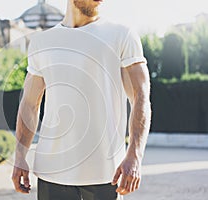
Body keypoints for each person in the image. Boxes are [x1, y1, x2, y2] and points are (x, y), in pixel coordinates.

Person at [12, 0, 151, 199]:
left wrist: (135, 155)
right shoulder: (41, 42)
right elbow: (29, 104)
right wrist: (19, 155)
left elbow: (141, 96)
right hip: (51, 173)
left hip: (106, 175)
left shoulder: (122, 35)